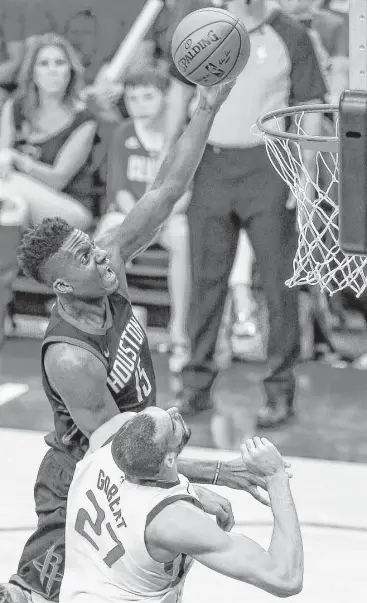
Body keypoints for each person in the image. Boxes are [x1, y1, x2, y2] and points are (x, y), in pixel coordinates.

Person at [0, 80, 273, 603]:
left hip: (136, 459)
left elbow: (167, 188)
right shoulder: (71, 357)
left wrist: (206, 107)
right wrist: (210, 476)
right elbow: (119, 454)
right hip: (83, 482)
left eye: (91, 247)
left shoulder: (110, 265)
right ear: (60, 287)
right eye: (83, 258)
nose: (100, 257)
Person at [164, 0, 328, 428]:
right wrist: (171, 165)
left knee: (279, 285)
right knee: (206, 280)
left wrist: (306, 178)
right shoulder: (202, 25)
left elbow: (310, 106)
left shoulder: (290, 32)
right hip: (212, 165)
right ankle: (195, 388)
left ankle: (280, 391)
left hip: (269, 166)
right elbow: (178, 93)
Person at [59, 409, 303, 603]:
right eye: (171, 423)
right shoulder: (172, 521)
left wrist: (191, 489)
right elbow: (285, 578)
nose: (175, 410)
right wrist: (276, 477)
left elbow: (137, 488)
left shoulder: (108, 441)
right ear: (168, 459)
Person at [0, 33, 97, 349]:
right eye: (44, 63)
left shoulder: (84, 116)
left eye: (59, 63)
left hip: (70, 212)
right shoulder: (15, 107)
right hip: (20, 206)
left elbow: (57, 178)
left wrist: (17, 159)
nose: (53, 70)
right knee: (11, 202)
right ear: (33, 71)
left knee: (9, 191)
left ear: (71, 70)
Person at [101, 67, 191, 373]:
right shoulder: (123, 133)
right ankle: (105, 327)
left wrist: (162, 216)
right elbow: (119, 189)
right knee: (104, 238)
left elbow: (190, 190)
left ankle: (180, 332)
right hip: (130, 213)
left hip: (171, 215)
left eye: (148, 97)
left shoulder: (180, 135)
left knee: (184, 238)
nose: (139, 104)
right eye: (132, 98)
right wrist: (139, 220)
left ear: (167, 98)